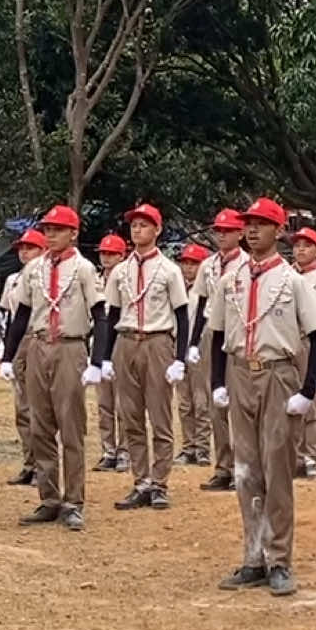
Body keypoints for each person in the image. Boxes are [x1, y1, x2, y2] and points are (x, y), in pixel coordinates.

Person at [208, 197, 316, 596]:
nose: (253, 230)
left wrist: (308, 389)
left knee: (277, 468)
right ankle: (252, 557)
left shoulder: (293, 280)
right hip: (241, 371)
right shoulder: (232, 280)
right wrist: (218, 383)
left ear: (279, 231)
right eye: (249, 223)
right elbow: (217, 333)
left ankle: (279, 558)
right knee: (245, 470)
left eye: (263, 223)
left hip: (278, 374)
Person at [0, 205, 105, 530]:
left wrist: (97, 360)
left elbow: (100, 314)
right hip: (38, 343)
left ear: (73, 233)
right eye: (47, 229)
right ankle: (48, 497)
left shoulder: (84, 269)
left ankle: (74, 500)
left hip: (70, 346)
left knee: (71, 425)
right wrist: (8, 354)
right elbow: (21, 315)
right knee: (39, 425)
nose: (50, 235)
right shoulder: (34, 270)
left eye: (58, 229)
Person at [103, 202, 190, 511]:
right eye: (133, 225)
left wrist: (180, 357)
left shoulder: (169, 270)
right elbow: (111, 313)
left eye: (144, 224)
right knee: (131, 416)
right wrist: (103, 357)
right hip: (127, 340)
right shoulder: (120, 271)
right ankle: (140, 480)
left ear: (157, 230)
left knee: (160, 414)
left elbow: (182, 314)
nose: (137, 229)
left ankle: (160, 482)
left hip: (157, 341)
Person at [194, 209, 250, 492]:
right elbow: (201, 303)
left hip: (240, 333)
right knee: (215, 402)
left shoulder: (248, 264)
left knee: (240, 404)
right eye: (218, 230)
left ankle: (243, 467)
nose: (222, 235)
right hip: (213, 333)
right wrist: (193, 342)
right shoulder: (208, 266)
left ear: (240, 233)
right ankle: (223, 466)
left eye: (227, 230)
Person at [0, 229, 47, 488]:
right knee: (21, 407)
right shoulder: (13, 280)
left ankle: (43, 465)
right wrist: (6, 352)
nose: (24, 252)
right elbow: (10, 317)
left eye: (30, 247)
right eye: (22, 248)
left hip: (38, 335)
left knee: (39, 406)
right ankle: (29, 462)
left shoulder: (45, 276)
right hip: (20, 339)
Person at [288, 228, 316, 480]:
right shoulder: (284, 275)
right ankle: (294, 455)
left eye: (307, 245)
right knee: (289, 400)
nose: (300, 249)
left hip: (313, 343)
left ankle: (312, 456)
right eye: (297, 245)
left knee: (314, 403)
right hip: (287, 343)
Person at [93, 235, 130, 473]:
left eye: (111, 254)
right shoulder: (95, 279)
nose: (106, 257)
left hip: (120, 341)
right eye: (103, 253)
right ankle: (108, 449)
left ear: (121, 256)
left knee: (124, 401)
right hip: (99, 340)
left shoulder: (127, 278)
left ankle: (125, 451)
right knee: (103, 402)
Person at [175, 243, 213, 468]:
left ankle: (202, 447)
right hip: (179, 346)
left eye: (193, 263)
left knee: (201, 399)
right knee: (183, 401)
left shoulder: (203, 292)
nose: (188, 268)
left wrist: (196, 345)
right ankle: (188, 446)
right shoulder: (178, 288)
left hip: (200, 347)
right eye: (185, 263)